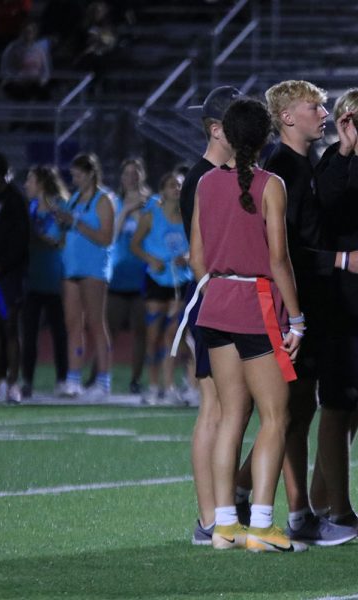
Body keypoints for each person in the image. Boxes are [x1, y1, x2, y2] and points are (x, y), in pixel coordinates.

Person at [191, 96, 306, 553]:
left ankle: (223, 526)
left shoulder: (203, 184)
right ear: (265, 137)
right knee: (277, 415)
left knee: (230, 417)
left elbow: (197, 258)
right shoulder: (270, 183)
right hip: (255, 303)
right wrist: (296, 318)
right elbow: (278, 259)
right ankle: (260, 525)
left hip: (215, 302)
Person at [263, 79, 358, 545]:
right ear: (286, 117)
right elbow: (281, 250)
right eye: (313, 106)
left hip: (319, 306)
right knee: (291, 413)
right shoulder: (280, 168)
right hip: (294, 309)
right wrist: (340, 260)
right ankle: (296, 513)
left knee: (301, 411)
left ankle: (298, 510)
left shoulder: (305, 164)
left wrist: (343, 152)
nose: (324, 112)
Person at [177, 85, 238, 546]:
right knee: (215, 408)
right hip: (215, 300)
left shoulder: (226, 174)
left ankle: (223, 510)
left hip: (228, 301)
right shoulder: (204, 178)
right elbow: (201, 255)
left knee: (235, 408)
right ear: (216, 129)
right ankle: (208, 518)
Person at [57, 152, 115, 400]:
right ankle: (73, 379)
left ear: (90, 173)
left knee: (95, 323)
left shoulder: (104, 200)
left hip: (93, 270)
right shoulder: (74, 199)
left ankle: (103, 381)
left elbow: (106, 237)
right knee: (73, 324)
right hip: (72, 268)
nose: (74, 179)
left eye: (78, 174)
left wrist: (76, 223)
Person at [132, 171, 192, 405]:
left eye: (179, 185)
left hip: (179, 281)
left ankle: (170, 385)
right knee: (153, 335)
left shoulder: (189, 214)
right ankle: (154, 384)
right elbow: (134, 244)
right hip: (157, 280)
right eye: (171, 185)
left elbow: (199, 244)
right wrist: (151, 259)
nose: (176, 189)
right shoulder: (151, 215)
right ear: (162, 190)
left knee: (174, 334)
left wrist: (187, 256)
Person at [20, 165, 69, 399]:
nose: (26, 184)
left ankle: (62, 380)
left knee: (60, 333)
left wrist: (34, 237)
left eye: (29, 180)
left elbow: (57, 241)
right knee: (28, 334)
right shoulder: (28, 209)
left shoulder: (59, 207)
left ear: (40, 182)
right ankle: (26, 380)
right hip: (32, 280)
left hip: (55, 279)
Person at [106, 158, 150, 396]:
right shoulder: (115, 202)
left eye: (135, 173)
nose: (130, 177)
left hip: (142, 276)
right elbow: (111, 235)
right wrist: (126, 210)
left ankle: (135, 379)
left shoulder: (150, 203)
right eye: (126, 173)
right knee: (109, 330)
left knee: (140, 331)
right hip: (118, 275)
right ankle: (100, 376)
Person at [0, 149, 29, 403]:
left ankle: (14, 382)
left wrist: (1, 265)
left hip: (9, 276)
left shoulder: (15, 200)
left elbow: (20, 241)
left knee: (10, 328)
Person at [0, 21, 51, 102]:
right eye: (25, 32)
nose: (28, 34)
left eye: (30, 32)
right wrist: (16, 79)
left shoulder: (40, 49)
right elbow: (5, 68)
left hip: (35, 83)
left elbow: (46, 70)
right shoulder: (12, 48)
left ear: (34, 33)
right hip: (16, 83)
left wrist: (41, 81)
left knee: (44, 92)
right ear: (21, 32)